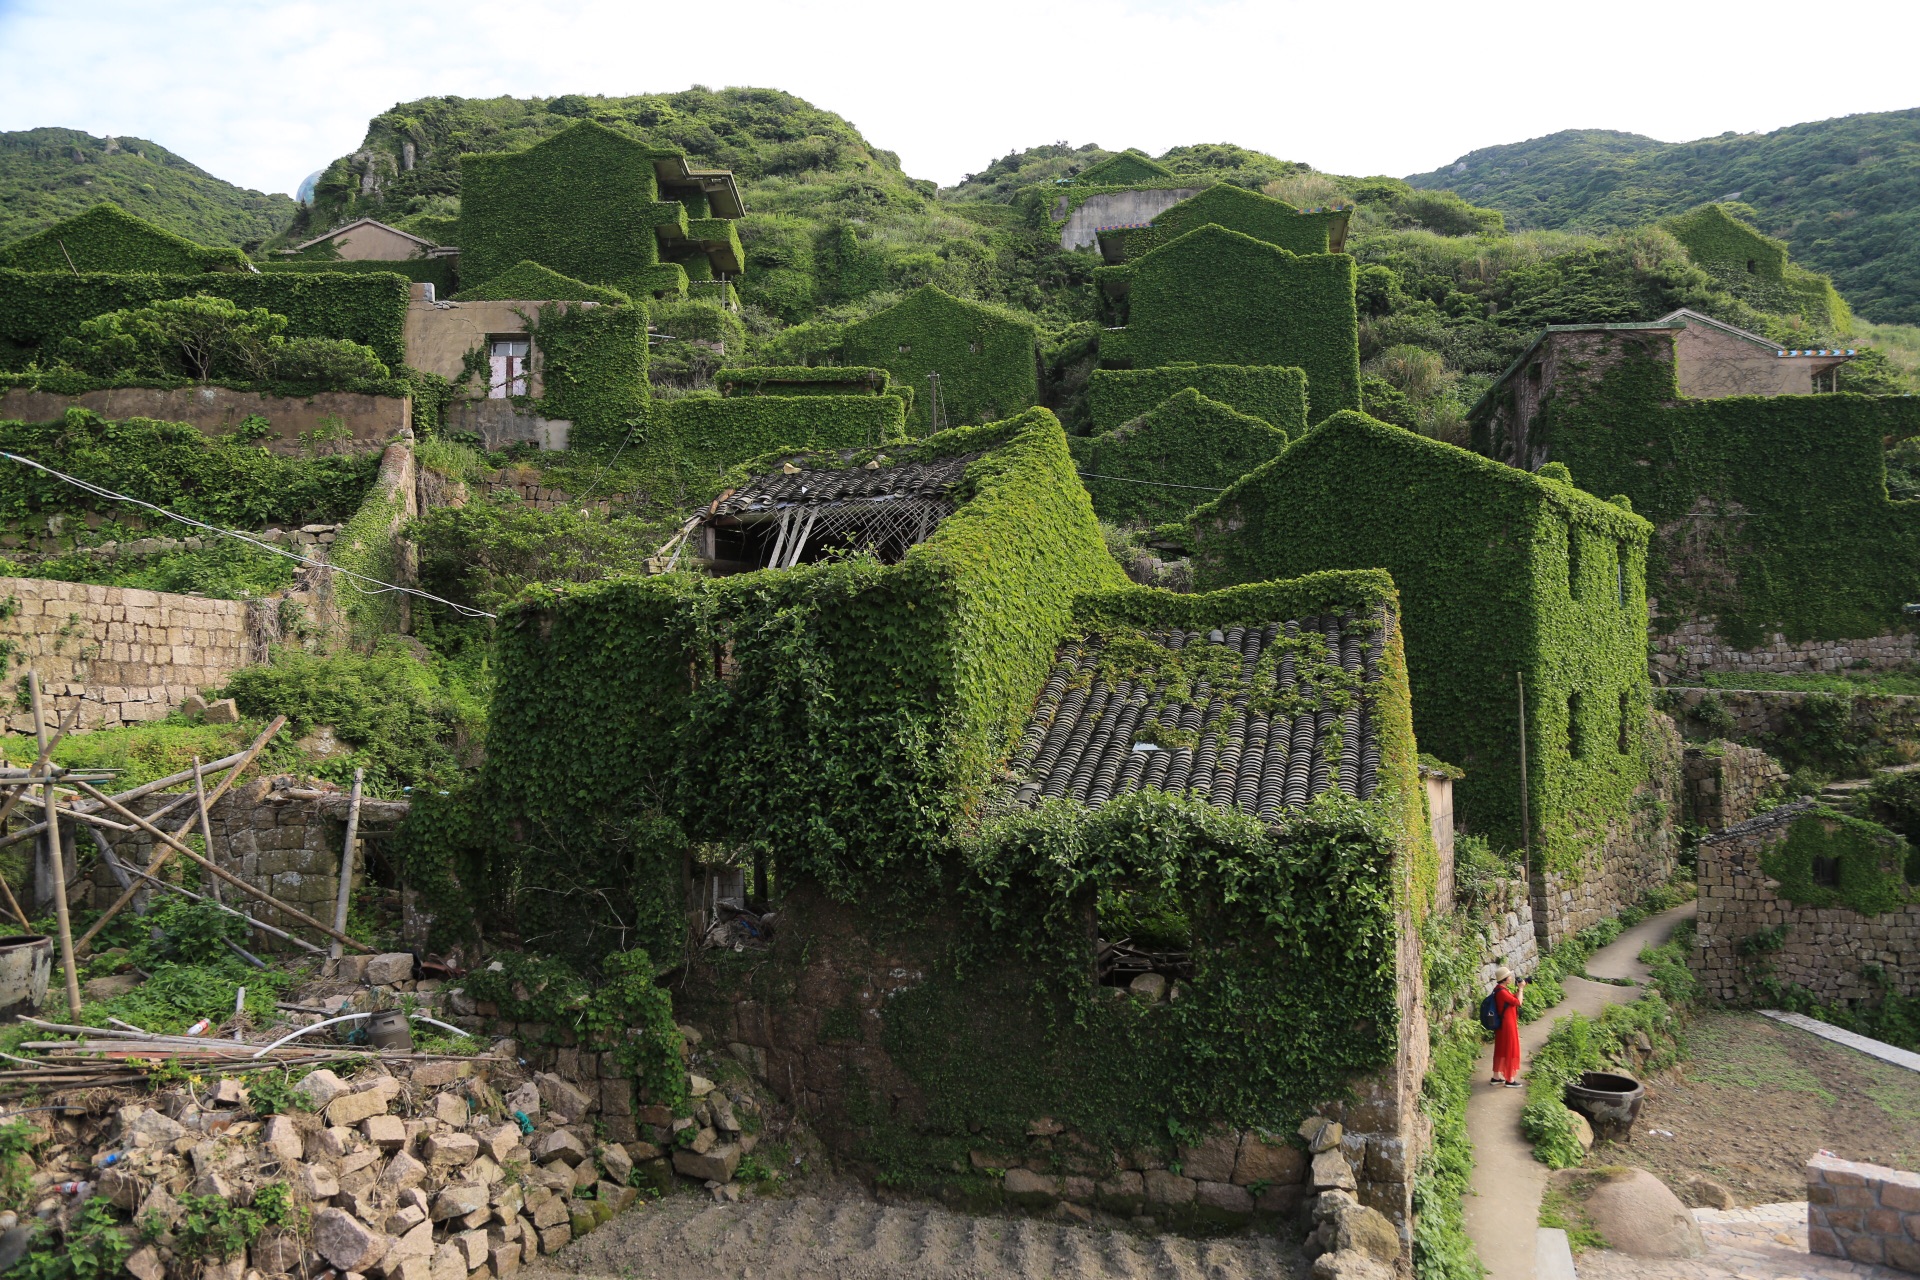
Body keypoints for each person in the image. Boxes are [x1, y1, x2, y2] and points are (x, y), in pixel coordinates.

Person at [1491, 966, 1526, 1087]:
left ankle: (1496, 1077)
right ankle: (1510, 1079)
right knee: (1510, 1048)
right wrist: (1521, 989)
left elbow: (1511, 999)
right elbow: (1518, 1002)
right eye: (1509, 976)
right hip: (1508, 1024)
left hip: (1502, 1024)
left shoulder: (1499, 989)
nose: (1511, 977)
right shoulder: (1502, 992)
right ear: (1505, 979)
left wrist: (1519, 990)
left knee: (1501, 1048)